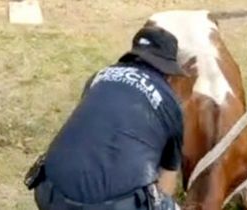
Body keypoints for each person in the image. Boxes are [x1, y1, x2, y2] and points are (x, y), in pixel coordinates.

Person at [24, 26, 187, 210]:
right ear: (168, 72)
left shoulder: (98, 77)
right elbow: (167, 179)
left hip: (49, 193)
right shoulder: (169, 102)